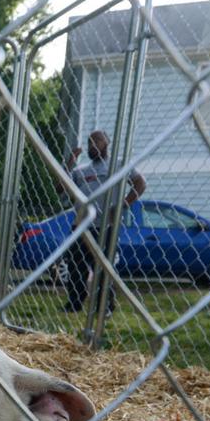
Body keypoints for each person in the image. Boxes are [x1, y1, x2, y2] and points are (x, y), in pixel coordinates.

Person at [62, 129, 147, 313]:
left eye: (98, 141)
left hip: (105, 226)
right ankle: (75, 303)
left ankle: (105, 306)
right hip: (81, 226)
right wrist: (71, 161)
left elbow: (140, 184)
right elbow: (61, 187)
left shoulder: (119, 164)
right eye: (90, 141)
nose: (93, 145)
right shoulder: (81, 170)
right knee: (75, 265)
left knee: (103, 267)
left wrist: (123, 205)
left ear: (107, 142)